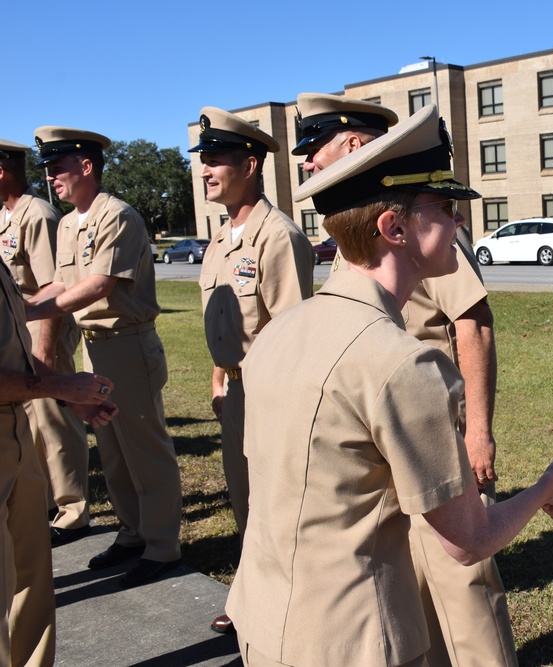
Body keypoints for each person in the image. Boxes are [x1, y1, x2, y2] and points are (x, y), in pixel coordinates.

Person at [226, 104, 553, 667]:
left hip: (264, 624)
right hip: (353, 641)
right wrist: (545, 486)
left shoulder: (278, 333)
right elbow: (468, 541)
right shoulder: (401, 363)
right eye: (443, 207)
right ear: (393, 227)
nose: (458, 222)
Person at [296, 92, 515, 666]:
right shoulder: (359, 220)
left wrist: (478, 432)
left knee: (462, 579)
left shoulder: (424, 222)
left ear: (350, 144)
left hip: (431, 421)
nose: (306, 164)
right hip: (377, 423)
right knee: (408, 580)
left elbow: (474, 324)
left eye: (314, 150)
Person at [25, 127, 184, 588]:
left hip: (128, 344)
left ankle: (162, 546)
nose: (51, 177)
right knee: (112, 450)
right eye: (48, 170)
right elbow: (59, 282)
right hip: (96, 345)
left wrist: (33, 309)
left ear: (86, 166)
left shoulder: (118, 216)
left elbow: (98, 286)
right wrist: (26, 307)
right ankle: (132, 533)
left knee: (145, 447)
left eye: (58, 168)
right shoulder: (70, 222)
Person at [189, 107, 314, 635]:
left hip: (270, 396)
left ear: (252, 163)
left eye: (216, 160)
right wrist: (220, 383)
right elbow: (222, 329)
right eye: (203, 161)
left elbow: (292, 334)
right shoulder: (220, 240)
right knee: (245, 502)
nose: (205, 170)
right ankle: (253, 598)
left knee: (278, 506)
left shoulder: (276, 235)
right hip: (236, 394)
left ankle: (292, 610)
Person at [0, 252, 117, 667]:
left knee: (31, 581)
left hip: (14, 430)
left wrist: (64, 392)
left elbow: (12, 350)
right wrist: (62, 385)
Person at [0, 139, 91, 548]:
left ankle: (73, 512)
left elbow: (51, 287)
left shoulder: (36, 215)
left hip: (41, 326)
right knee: (33, 423)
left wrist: (46, 349)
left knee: (55, 421)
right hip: (19, 324)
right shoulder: (6, 215)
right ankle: (46, 501)